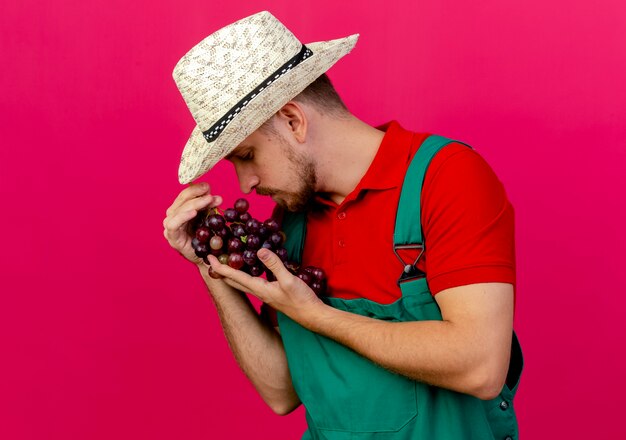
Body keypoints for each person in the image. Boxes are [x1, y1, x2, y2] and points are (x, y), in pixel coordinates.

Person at [163, 11, 522, 439]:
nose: (246, 183)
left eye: (246, 155)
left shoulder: (446, 179)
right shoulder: (291, 222)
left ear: (293, 121)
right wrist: (211, 264)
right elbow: (281, 391)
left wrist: (318, 316)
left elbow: (480, 365)